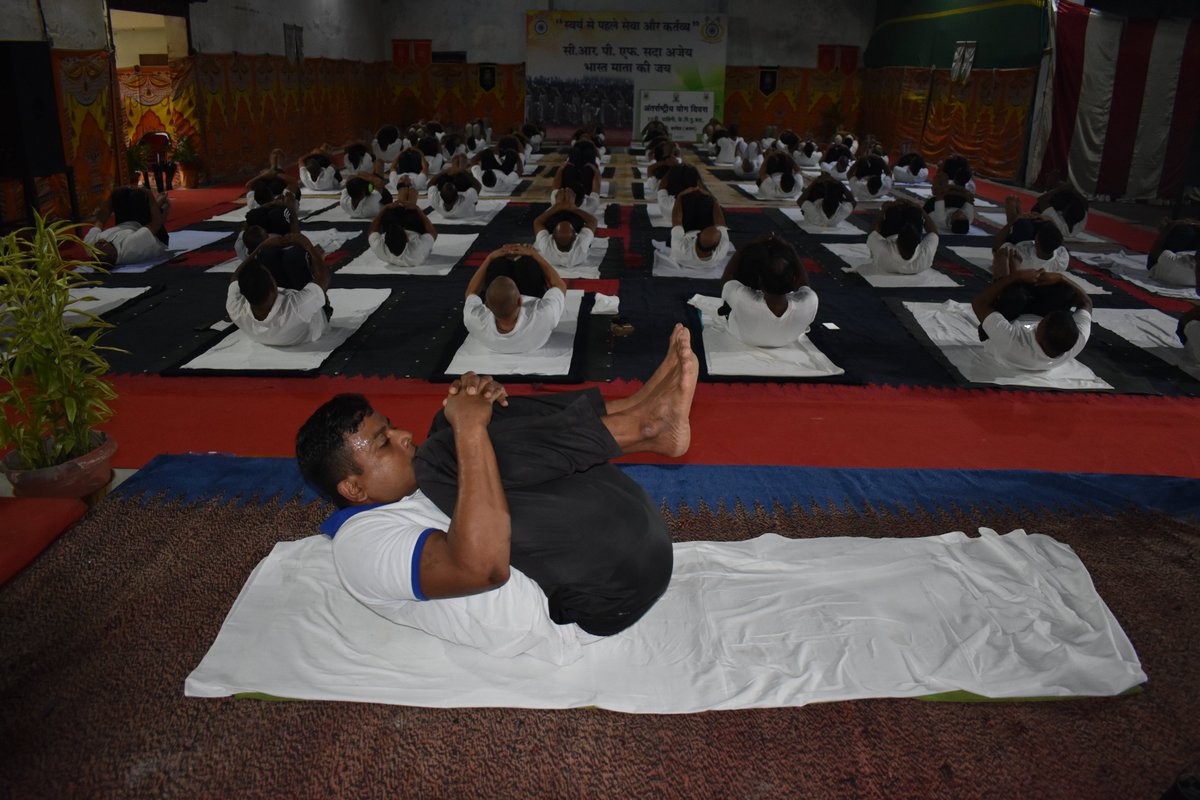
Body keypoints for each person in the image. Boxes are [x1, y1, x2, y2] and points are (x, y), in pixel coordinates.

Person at [294, 325, 698, 641]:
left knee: (449, 424)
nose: (403, 436)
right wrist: (471, 427)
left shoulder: (408, 485)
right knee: (447, 445)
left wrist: (479, 404)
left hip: (631, 559)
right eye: (384, 443)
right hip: (598, 600)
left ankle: (636, 409)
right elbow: (481, 568)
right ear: (354, 490)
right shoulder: (359, 545)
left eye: (392, 427)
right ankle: (645, 427)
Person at [971, 266, 1093, 372]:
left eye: (1041, 322)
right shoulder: (1077, 340)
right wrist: (1061, 278)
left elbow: (979, 303)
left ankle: (1008, 271)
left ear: (1039, 331)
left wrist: (1015, 276)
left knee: (1014, 294)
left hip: (1010, 319)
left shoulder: (1012, 342)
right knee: (1066, 291)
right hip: (1033, 314)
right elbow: (1087, 302)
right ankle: (1027, 278)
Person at [226, 232, 332, 346]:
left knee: (267, 253)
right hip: (310, 315)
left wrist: (262, 246)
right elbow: (323, 278)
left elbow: (235, 278)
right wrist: (309, 247)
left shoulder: (235, 308)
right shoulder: (297, 306)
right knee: (295, 256)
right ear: (273, 286)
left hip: (282, 309)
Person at [463, 244, 567, 353]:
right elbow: (560, 286)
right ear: (520, 300)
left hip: (507, 301)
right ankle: (523, 261)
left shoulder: (474, 319)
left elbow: (471, 292)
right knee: (527, 262)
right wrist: (534, 254)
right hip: (531, 293)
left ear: (487, 305)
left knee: (497, 264)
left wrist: (490, 258)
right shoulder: (543, 314)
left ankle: (501, 263)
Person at [718, 235, 818, 348]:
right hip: (786, 341)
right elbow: (803, 281)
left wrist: (744, 248)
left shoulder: (742, 298)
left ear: (759, 280)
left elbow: (727, 279)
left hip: (743, 338)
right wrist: (791, 249)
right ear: (793, 279)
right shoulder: (810, 301)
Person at [82, 186, 170, 266]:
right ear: (112, 256)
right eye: (102, 247)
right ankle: (161, 205)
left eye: (97, 248)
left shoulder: (92, 246)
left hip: (126, 224)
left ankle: (156, 206)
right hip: (154, 236)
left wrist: (112, 196)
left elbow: (100, 221)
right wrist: (150, 196)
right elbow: (156, 223)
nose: (100, 242)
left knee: (120, 194)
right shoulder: (131, 247)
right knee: (139, 196)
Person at [992, 196, 1069, 273]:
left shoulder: (1020, 257)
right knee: (1045, 224)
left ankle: (1015, 216)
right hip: (1034, 247)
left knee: (1022, 226)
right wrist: (1050, 221)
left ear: (1036, 242)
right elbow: (1059, 241)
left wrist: (1012, 221)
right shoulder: (1061, 260)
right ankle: (1021, 216)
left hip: (1015, 247)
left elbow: (997, 245)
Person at [367, 186, 438, 267]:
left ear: (385, 241)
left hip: (392, 225)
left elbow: (372, 230)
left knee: (401, 196)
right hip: (414, 228)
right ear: (407, 239)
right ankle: (407, 192)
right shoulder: (417, 250)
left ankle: (403, 192)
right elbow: (433, 234)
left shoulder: (380, 249)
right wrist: (417, 209)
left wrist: (385, 208)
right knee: (412, 193)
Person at [867, 200, 939, 274]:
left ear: (896, 241)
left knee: (893, 211)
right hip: (903, 237)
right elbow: (934, 233)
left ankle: (899, 208)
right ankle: (909, 209)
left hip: (889, 234)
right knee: (914, 212)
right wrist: (920, 209)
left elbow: (872, 233)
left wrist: (884, 209)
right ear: (918, 243)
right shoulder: (924, 256)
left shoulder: (883, 251)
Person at [532, 188, 598, 269]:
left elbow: (537, 222)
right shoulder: (581, 247)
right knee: (574, 217)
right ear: (576, 235)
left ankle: (561, 200)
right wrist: (573, 208)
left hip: (556, 222)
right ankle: (566, 202)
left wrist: (556, 206)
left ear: (552, 236)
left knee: (555, 213)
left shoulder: (546, 247)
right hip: (574, 222)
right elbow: (593, 221)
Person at [669, 186, 732, 268]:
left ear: (697, 235)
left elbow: (677, 220)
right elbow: (721, 223)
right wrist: (714, 199)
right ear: (717, 245)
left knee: (688, 199)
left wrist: (680, 196)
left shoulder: (681, 249)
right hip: (696, 237)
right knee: (707, 201)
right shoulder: (722, 248)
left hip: (686, 231)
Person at [1147, 218, 1199, 287]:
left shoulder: (1176, 263)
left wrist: (1167, 229)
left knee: (1185, 232)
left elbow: (1155, 252)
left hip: (1156, 264)